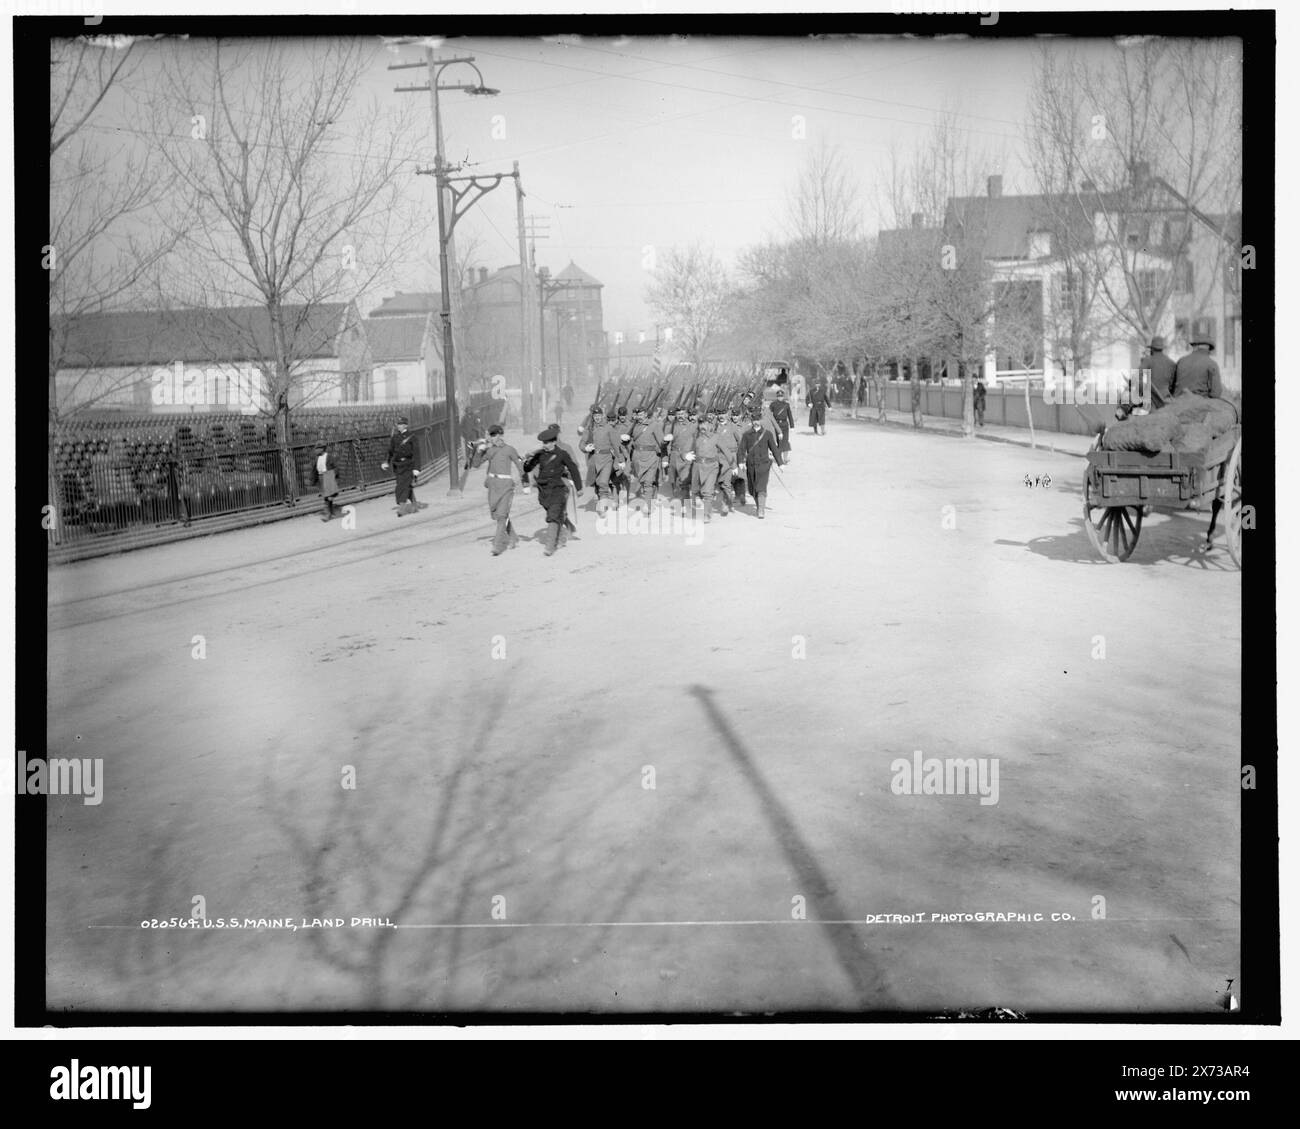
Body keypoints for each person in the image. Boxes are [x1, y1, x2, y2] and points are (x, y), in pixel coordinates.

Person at [522, 425, 583, 557]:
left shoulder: (562, 454)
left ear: (554, 441)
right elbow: (528, 469)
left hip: (558, 489)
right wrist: (527, 460)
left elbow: (573, 469)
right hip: (544, 491)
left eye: (548, 442)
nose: (545, 445)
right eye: (544, 442)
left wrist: (579, 487)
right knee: (556, 515)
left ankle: (550, 546)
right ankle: (562, 535)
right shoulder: (540, 454)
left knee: (553, 517)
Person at [470, 424, 524, 555]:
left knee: (501, 516)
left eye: (494, 435)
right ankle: (513, 537)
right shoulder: (489, 450)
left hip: (506, 485)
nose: (492, 438)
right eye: (490, 435)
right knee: (498, 514)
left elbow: (520, 464)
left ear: (500, 435)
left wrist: (525, 483)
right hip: (493, 486)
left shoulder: (509, 449)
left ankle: (497, 545)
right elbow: (475, 464)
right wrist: (478, 451)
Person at [577, 404, 623, 512]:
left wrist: (621, 460)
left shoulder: (608, 428)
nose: (597, 417)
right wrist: (585, 448)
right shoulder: (589, 428)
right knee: (597, 483)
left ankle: (603, 504)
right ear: (592, 416)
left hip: (607, 458)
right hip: (593, 459)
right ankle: (602, 499)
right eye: (595, 415)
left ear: (602, 415)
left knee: (603, 482)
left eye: (599, 415)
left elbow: (616, 445)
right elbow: (581, 444)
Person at [737, 410, 783, 519]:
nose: (755, 422)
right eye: (754, 420)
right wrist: (740, 462)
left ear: (760, 421)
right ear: (751, 421)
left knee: (761, 487)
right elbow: (741, 449)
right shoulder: (746, 435)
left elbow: (774, 449)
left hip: (763, 465)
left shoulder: (767, 434)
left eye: (757, 420)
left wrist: (780, 463)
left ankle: (761, 509)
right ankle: (759, 506)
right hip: (751, 465)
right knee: (752, 489)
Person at [381, 416, 423, 517]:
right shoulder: (395, 438)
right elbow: (390, 451)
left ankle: (402, 508)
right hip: (398, 466)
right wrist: (386, 462)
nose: (398, 426)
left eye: (401, 424)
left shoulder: (412, 437)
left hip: (409, 465)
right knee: (404, 485)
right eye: (398, 424)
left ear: (406, 425)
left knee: (401, 486)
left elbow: (416, 453)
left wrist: (417, 468)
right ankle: (414, 504)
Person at [627, 403, 665, 510]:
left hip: (651, 456)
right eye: (637, 414)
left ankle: (648, 505)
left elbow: (661, 442)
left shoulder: (654, 425)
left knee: (648, 482)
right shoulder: (633, 425)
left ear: (645, 414)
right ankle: (650, 498)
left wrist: (664, 457)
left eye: (641, 414)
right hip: (637, 457)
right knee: (642, 481)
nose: (639, 416)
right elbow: (627, 440)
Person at [1140, 335, 1176, 409]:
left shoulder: (1147, 360)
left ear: (1152, 349)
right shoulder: (1171, 363)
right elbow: (1173, 383)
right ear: (1162, 349)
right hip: (1166, 398)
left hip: (1151, 398)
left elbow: (1137, 378)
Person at [309, 441, 341, 521]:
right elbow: (314, 470)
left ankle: (327, 514)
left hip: (328, 477)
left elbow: (336, 467)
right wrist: (313, 479)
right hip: (321, 478)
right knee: (327, 497)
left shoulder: (328, 457)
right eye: (316, 449)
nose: (316, 450)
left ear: (322, 449)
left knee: (327, 497)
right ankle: (331, 512)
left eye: (318, 449)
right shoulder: (317, 458)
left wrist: (332, 476)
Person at [769, 386, 793, 464]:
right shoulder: (773, 404)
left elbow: (790, 415)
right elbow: (769, 415)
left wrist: (792, 426)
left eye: (781, 396)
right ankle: (778, 458)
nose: (780, 397)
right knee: (778, 442)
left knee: (785, 441)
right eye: (779, 396)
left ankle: (785, 458)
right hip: (776, 425)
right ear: (777, 396)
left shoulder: (786, 405)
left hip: (785, 425)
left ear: (783, 396)